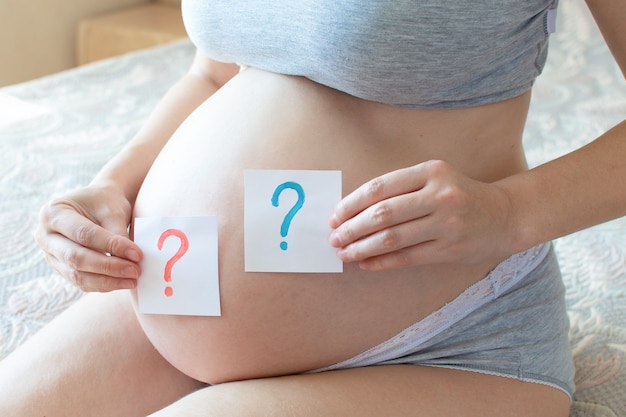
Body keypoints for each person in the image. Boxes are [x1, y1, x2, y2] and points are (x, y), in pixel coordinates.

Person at [1, 0, 624, 415]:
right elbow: (216, 74)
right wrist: (113, 184)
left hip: (448, 337)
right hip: (171, 282)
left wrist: (510, 213)